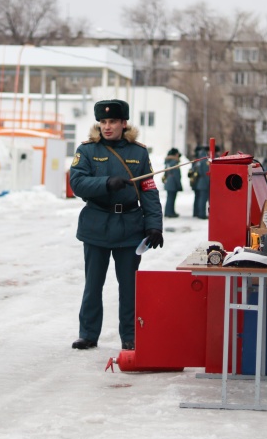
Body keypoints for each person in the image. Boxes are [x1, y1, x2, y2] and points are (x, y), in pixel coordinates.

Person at [69, 99, 162, 351]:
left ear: (124, 123)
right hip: (97, 224)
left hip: (130, 226)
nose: (107, 127)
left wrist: (154, 225)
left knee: (129, 288)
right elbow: (76, 183)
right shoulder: (87, 150)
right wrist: (106, 183)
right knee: (93, 285)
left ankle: (130, 336)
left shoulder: (139, 153)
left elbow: (149, 190)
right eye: (103, 122)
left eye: (112, 122)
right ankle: (88, 334)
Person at [190, 145, 210, 219]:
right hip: (203, 182)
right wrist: (208, 183)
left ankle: (197, 212)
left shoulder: (199, 159)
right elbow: (205, 172)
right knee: (202, 199)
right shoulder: (204, 160)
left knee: (198, 198)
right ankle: (201, 214)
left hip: (198, 181)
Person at [162, 147, 182, 218]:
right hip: (173, 182)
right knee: (171, 198)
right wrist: (179, 185)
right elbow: (177, 175)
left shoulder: (168, 161)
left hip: (168, 181)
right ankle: (170, 212)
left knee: (169, 198)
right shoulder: (174, 162)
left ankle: (169, 211)